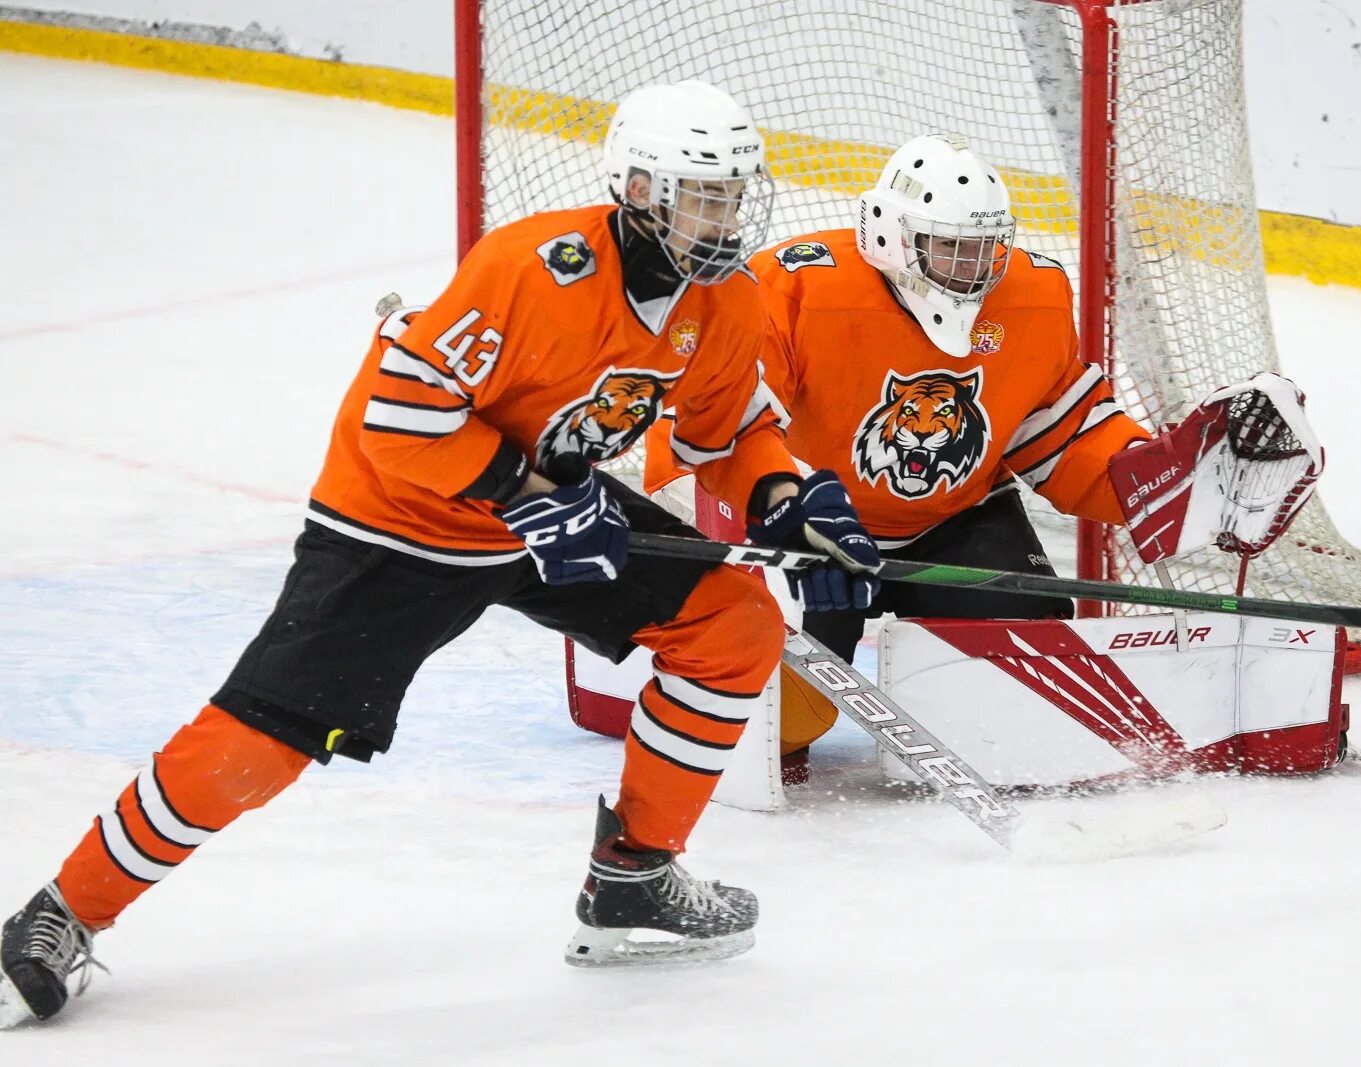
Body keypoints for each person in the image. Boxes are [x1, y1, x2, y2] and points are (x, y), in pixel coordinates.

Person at [0, 80, 883, 1026]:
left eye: (736, 194)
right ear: (635, 189)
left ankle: (633, 878)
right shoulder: (535, 269)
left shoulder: (725, 300)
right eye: (701, 195)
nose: (725, 217)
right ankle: (61, 911)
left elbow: (728, 424)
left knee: (729, 622)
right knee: (260, 745)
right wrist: (533, 499)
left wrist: (787, 495)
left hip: (552, 500)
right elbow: (399, 418)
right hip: (401, 517)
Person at [645, 133, 1321, 765]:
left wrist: (1160, 484)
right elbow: (720, 422)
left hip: (955, 522)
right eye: (950, 247)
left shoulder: (1033, 297)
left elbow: (1060, 430)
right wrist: (771, 521)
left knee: (1027, 677)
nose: (974, 269)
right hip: (813, 530)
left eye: (985, 248)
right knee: (783, 724)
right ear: (889, 234)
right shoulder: (795, 288)